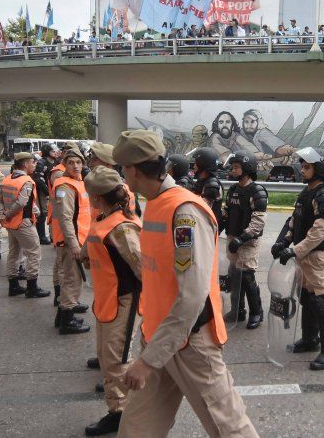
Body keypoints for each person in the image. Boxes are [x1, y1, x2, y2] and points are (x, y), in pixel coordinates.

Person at [112, 129, 257, 437]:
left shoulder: (185, 212)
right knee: (136, 429)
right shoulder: (157, 202)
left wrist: (148, 360)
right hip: (160, 335)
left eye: (122, 168)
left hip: (190, 342)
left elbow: (191, 296)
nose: (122, 175)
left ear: (133, 170)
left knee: (230, 430)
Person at [81, 166, 143, 436]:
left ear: (96, 196)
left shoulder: (122, 227)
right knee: (108, 356)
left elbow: (142, 268)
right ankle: (117, 403)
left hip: (123, 300)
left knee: (118, 359)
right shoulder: (104, 217)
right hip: (107, 298)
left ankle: (122, 413)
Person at [272, 147, 324, 371]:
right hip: (303, 256)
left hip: (318, 257)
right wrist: (283, 242)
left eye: (307, 166)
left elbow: (318, 232)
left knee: (322, 302)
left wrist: (295, 250)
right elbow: (295, 222)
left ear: (319, 169)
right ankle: (311, 340)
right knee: (307, 299)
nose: (302, 170)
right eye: (302, 165)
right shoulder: (306, 193)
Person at [220, 150, 266, 329]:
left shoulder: (257, 191)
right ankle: (237, 310)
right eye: (232, 167)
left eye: (237, 167)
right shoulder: (233, 189)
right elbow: (226, 213)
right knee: (233, 275)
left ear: (247, 168)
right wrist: (216, 229)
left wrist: (242, 238)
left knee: (247, 277)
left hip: (248, 242)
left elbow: (258, 222)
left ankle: (256, 312)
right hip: (232, 238)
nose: (233, 170)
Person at [0, 152, 50, 298]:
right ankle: (32, 288)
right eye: (33, 162)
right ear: (26, 164)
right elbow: (21, 202)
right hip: (22, 222)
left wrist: (3, 215)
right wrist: (9, 214)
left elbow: (0, 200)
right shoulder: (26, 181)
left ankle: (13, 286)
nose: (35, 165)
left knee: (14, 253)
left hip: (11, 224)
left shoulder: (7, 179)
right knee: (34, 253)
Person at [52, 148, 92, 335]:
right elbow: (65, 218)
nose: (75, 166)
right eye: (71, 163)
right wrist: (74, 244)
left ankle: (62, 316)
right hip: (70, 242)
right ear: (65, 165)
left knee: (72, 278)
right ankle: (67, 322)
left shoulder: (78, 183)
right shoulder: (65, 186)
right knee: (72, 280)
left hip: (77, 239)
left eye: (78, 162)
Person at [34, 143, 60, 245]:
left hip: (54, 191)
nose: (55, 153)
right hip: (43, 191)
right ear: (47, 152)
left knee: (53, 213)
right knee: (43, 213)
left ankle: (53, 234)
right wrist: (47, 192)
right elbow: (38, 179)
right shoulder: (41, 162)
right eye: (53, 151)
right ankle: (41, 236)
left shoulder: (57, 161)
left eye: (55, 151)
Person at [190, 147, 224, 221]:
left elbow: (201, 208)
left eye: (196, 163)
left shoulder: (212, 185)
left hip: (208, 224)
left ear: (202, 164)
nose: (194, 166)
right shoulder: (202, 181)